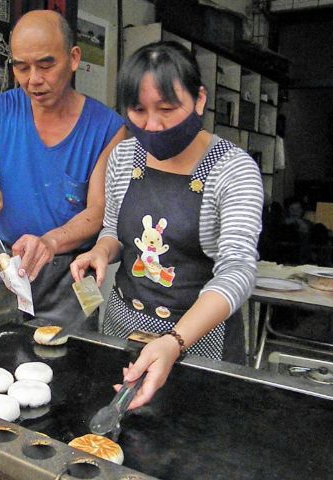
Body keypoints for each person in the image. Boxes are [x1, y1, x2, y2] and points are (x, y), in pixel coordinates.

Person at [70, 41, 263, 409]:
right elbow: (113, 228)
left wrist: (175, 341)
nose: (152, 126)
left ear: (199, 99)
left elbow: (238, 269)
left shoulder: (233, 170)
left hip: (198, 338)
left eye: (167, 109)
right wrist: (100, 251)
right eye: (138, 111)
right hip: (121, 326)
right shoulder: (125, 156)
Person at [0, 10, 126, 323]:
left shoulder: (107, 128)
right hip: (7, 265)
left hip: (74, 273)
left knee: (72, 364)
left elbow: (98, 212)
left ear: (73, 58)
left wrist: (49, 242)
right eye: (21, 67)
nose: (33, 80)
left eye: (46, 65)